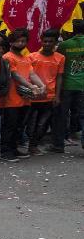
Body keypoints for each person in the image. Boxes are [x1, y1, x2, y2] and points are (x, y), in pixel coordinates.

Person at [0, 29, 45, 162]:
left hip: (24, 98)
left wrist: (42, 85)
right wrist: (31, 86)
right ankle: (6, 151)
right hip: (11, 98)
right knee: (10, 125)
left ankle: (14, 149)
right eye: (18, 41)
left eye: (24, 41)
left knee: (19, 126)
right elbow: (15, 75)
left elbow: (32, 74)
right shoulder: (8, 57)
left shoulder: (26, 58)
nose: (21, 43)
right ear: (11, 42)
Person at [25, 29, 64, 155]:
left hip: (49, 96)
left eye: (50, 42)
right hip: (32, 96)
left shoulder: (60, 58)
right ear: (41, 41)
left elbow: (59, 77)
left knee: (43, 124)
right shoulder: (31, 57)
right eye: (45, 41)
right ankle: (27, 144)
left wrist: (57, 96)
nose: (47, 44)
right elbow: (28, 76)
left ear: (55, 43)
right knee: (29, 123)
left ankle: (33, 145)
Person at [52, 20, 84, 152]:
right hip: (82, 85)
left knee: (61, 115)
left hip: (66, 85)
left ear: (72, 30)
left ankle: (58, 145)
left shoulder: (64, 45)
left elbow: (58, 63)